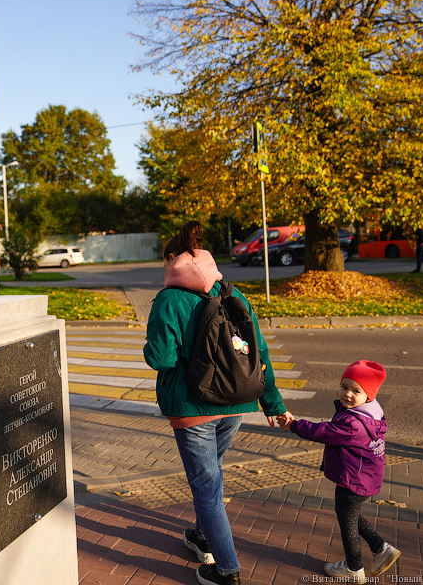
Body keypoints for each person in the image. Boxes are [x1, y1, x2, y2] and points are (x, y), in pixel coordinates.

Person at [144, 221, 293, 585]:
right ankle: (202, 537)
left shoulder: (169, 299)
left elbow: (162, 358)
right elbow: (259, 352)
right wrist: (273, 403)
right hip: (237, 403)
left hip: (193, 408)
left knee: (206, 488)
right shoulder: (233, 293)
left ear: (171, 258)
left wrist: (150, 348)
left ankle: (227, 571)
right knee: (212, 472)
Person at [278, 361, 402, 582]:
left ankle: (354, 569)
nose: (347, 394)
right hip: (364, 477)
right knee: (348, 514)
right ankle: (380, 548)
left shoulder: (354, 423)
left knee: (347, 523)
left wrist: (294, 425)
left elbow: (322, 431)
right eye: (344, 387)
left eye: (356, 391)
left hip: (353, 480)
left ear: (369, 396)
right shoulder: (371, 413)